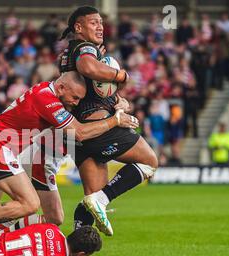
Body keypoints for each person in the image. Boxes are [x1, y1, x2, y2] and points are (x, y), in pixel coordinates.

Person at [0, 71, 138, 236]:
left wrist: (115, 101)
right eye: (75, 97)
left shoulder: (49, 93)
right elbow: (79, 132)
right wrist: (116, 120)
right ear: (62, 88)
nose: (76, 102)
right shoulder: (46, 100)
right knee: (29, 204)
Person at [56, 6, 158, 238]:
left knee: (90, 203)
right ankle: (101, 199)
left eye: (101, 22)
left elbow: (91, 85)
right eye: (94, 22)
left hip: (80, 134)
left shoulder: (69, 53)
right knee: (149, 162)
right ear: (78, 27)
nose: (100, 26)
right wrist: (120, 75)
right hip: (101, 128)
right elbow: (88, 67)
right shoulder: (85, 48)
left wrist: (118, 100)